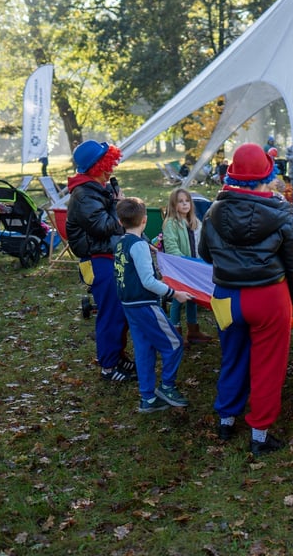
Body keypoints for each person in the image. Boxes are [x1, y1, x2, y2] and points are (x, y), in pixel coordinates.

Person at [199, 143, 293, 456]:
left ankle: (226, 419)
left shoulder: (213, 210)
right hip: (268, 297)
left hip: (227, 295)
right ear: (267, 174)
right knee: (268, 364)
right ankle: (259, 434)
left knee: (232, 355)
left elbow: (206, 253)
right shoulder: (280, 211)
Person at [114, 197, 194, 413]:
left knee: (144, 349)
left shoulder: (120, 242)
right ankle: (167, 387)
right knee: (175, 344)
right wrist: (174, 293)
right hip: (145, 304)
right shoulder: (138, 246)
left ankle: (147, 398)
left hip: (129, 304)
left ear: (120, 222)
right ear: (145, 221)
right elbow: (148, 281)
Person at [66, 140, 136, 382]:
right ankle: (108, 366)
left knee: (121, 311)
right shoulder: (84, 194)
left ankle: (116, 356)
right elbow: (104, 226)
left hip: (109, 256)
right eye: (107, 165)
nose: (111, 170)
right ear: (97, 166)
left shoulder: (96, 188)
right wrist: (119, 205)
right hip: (98, 260)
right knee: (111, 313)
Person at [162, 188, 214, 346]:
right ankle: (175, 331)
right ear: (173, 205)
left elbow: (200, 243)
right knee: (179, 299)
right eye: (180, 201)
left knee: (193, 298)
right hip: (180, 268)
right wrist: (184, 264)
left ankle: (193, 330)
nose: (185, 204)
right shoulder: (171, 223)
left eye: (187, 201)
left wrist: (200, 263)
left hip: (193, 267)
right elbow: (171, 247)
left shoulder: (195, 222)